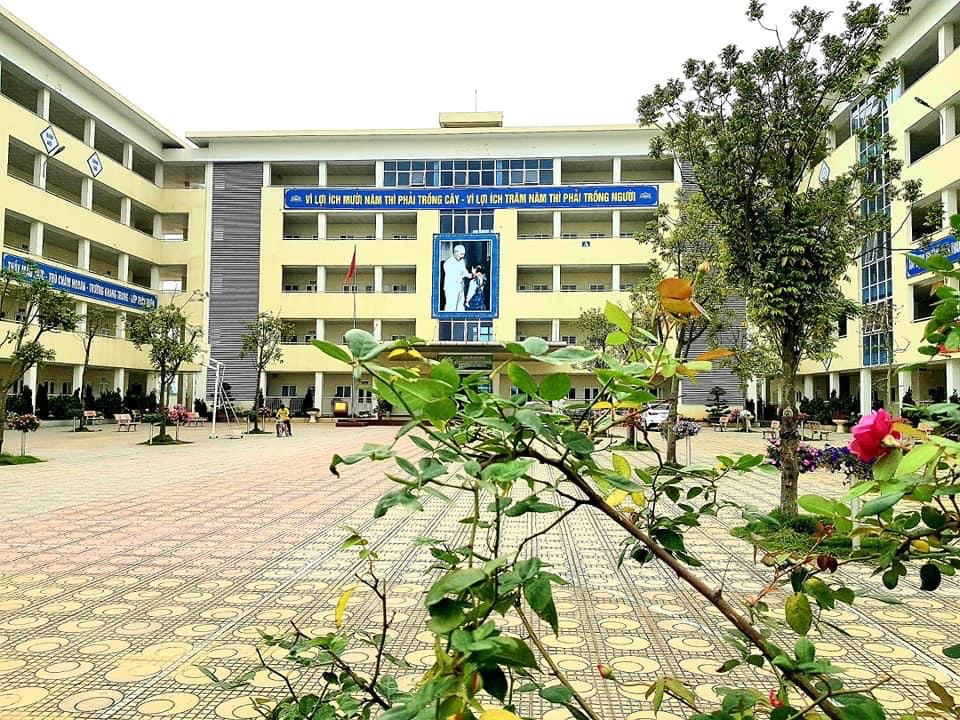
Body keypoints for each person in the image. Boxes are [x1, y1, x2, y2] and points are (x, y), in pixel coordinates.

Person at [442, 244, 471, 312]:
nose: (462, 256)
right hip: (451, 287)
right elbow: (453, 277)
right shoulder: (448, 263)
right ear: (455, 252)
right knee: (451, 307)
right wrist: (463, 276)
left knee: (460, 306)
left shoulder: (462, 261)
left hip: (460, 287)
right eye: (461, 254)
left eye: (463, 254)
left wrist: (469, 275)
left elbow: (464, 271)